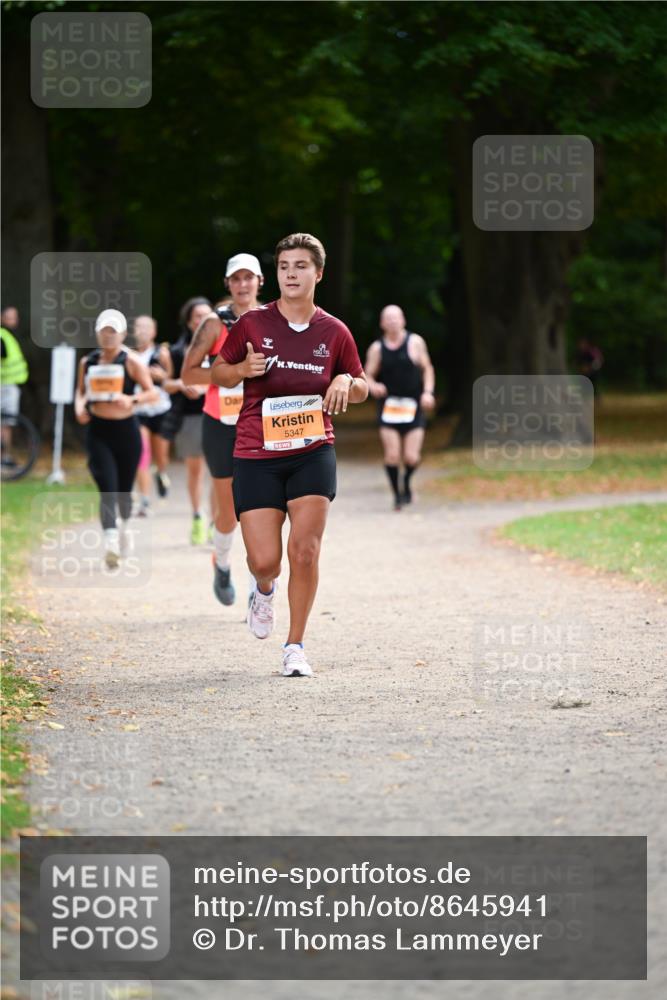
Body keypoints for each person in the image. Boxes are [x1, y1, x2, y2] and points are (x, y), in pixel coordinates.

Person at [211, 233, 368, 677]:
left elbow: (360, 383)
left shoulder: (334, 330)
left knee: (305, 551)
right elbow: (219, 371)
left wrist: (344, 383)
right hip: (257, 452)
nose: (291, 274)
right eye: (284, 267)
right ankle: (263, 589)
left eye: (301, 266)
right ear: (276, 274)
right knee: (266, 561)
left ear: (318, 273)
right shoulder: (253, 324)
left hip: (312, 451)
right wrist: (241, 369)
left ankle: (295, 646)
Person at [182, 253, 264, 606]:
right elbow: (188, 374)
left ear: (260, 281)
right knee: (228, 512)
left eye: (249, 278)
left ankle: (257, 585)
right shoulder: (215, 324)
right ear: (228, 284)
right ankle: (223, 562)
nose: (243, 285)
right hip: (221, 423)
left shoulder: (274, 319)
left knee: (262, 508)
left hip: (262, 423)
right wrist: (234, 372)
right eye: (236, 279)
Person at [74, 309, 158, 568]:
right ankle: (110, 542)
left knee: (123, 491)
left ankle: (124, 528)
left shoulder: (130, 361)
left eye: (114, 331)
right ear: (98, 333)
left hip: (126, 432)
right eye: (104, 330)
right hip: (99, 432)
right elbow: (80, 393)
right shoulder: (88, 362)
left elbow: (152, 393)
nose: (109, 336)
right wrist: (79, 408)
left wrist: (130, 399)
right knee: (107, 487)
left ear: (122, 334)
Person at [364, 304, 435, 510]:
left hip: (413, 406)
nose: (393, 321)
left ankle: (407, 484)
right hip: (389, 408)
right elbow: (367, 375)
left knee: (411, 457)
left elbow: (427, 368)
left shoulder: (415, 342)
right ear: (382, 323)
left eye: (397, 318)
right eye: (389, 318)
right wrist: (374, 385)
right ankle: (397, 495)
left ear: (403, 320)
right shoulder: (377, 348)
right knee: (393, 455)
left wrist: (428, 392)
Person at [160, 298, 211, 543]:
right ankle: (197, 517)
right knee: (196, 471)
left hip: (220, 413)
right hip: (190, 417)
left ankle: (216, 521)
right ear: (189, 322)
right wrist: (182, 383)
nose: (201, 321)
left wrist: (205, 387)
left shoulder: (222, 349)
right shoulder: (177, 352)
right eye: (197, 317)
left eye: (206, 315)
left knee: (222, 474)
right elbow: (166, 384)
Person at [131, 314, 172, 514]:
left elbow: (172, 380)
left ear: (154, 332)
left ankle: (161, 473)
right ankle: (144, 500)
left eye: (146, 328)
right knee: (142, 453)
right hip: (139, 410)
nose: (142, 331)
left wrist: (162, 375)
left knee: (161, 456)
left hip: (161, 409)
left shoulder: (161, 353)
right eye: (138, 327)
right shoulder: (128, 355)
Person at [0, 313, 29, 469]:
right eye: (10, 317)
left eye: (15, 317)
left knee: (6, 424)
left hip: (9, 385)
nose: (14, 320)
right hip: (4, 386)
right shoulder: (2, 335)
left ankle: (4, 457)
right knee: (4, 424)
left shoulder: (8, 336)